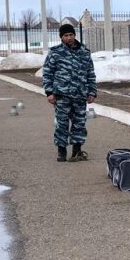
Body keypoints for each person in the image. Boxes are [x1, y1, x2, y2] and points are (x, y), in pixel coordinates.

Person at [42, 23, 96, 162]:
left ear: (74, 35)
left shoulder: (84, 52)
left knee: (79, 123)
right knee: (62, 123)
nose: (69, 38)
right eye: (66, 35)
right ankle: (61, 151)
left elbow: (90, 73)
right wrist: (49, 92)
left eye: (71, 35)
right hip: (62, 95)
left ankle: (77, 151)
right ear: (61, 37)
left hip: (80, 94)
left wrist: (92, 92)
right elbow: (47, 73)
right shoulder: (55, 53)